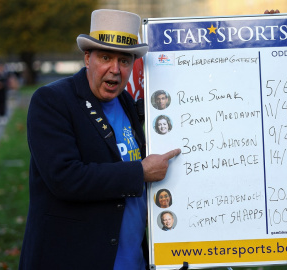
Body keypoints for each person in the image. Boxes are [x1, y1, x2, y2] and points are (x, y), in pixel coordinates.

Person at [19, 9, 181, 270]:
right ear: (87, 58)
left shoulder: (128, 103)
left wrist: (266, 40)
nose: (115, 70)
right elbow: (65, 178)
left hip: (133, 261)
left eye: (124, 61)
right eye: (105, 57)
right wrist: (140, 172)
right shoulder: (52, 101)